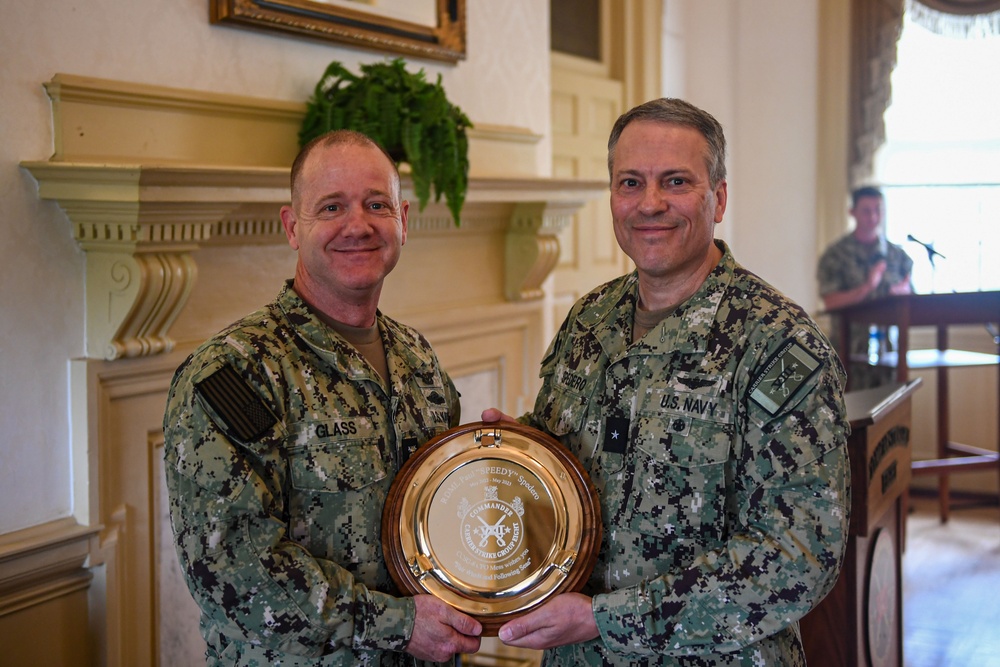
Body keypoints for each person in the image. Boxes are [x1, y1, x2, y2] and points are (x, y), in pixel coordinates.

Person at [482, 98, 851, 666]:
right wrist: (518, 453)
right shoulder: (589, 320)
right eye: (631, 182)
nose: (649, 204)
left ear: (719, 198)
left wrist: (606, 618)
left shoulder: (778, 345)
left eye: (675, 181)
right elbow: (567, 461)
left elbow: (800, 555)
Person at [162, 129, 482, 666]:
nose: (357, 225)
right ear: (292, 227)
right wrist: (400, 625)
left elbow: (442, 515)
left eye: (376, 204)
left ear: (403, 219)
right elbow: (232, 572)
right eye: (331, 206)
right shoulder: (233, 373)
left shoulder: (418, 360)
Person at [817, 186, 913, 388]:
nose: (873, 216)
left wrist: (900, 295)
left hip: (889, 354)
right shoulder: (836, 255)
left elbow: (911, 295)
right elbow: (830, 300)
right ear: (853, 212)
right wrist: (867, 287)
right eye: (866, 210)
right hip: (849, 354)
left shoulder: (897, 256)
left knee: (891, 414)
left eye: (878, 210)